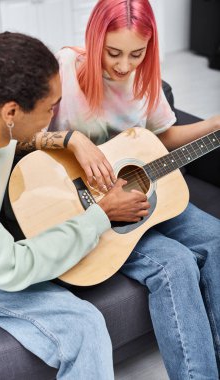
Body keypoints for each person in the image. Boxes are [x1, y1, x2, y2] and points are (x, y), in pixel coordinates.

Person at [44, 0, 220, 379]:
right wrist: (72, 139)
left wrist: (214, 124)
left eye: (136, 54)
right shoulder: (62, 69)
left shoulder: (145, 80)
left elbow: (164, 136)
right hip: (90, 213)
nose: (124, 66)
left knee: (218, 238)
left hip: (145, 198)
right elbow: (22, 138)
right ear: (94, 40)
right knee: (175, 264)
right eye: (113, 53)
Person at [0, 31, 148, 380]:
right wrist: (101, 215)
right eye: (51, 109)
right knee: (84, 323)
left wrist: (69, 137)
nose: (56, 115)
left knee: (85, 323)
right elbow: (14, 267)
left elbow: (23, 137)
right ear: (11, 112)